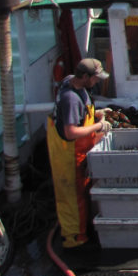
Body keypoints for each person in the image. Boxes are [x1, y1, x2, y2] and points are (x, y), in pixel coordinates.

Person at [47, 58, 112, 248]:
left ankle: (83, 229)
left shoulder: (73, 82)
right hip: (67, 154)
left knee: (82, 192)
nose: (98, 81)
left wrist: (98, 113)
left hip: (78, 150)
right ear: (84, 76)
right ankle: (74, 238)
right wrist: (99, 126)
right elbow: (71, 132)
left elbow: (80, 114)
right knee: (72, 198)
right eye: (95, 78)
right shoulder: (70, 98)